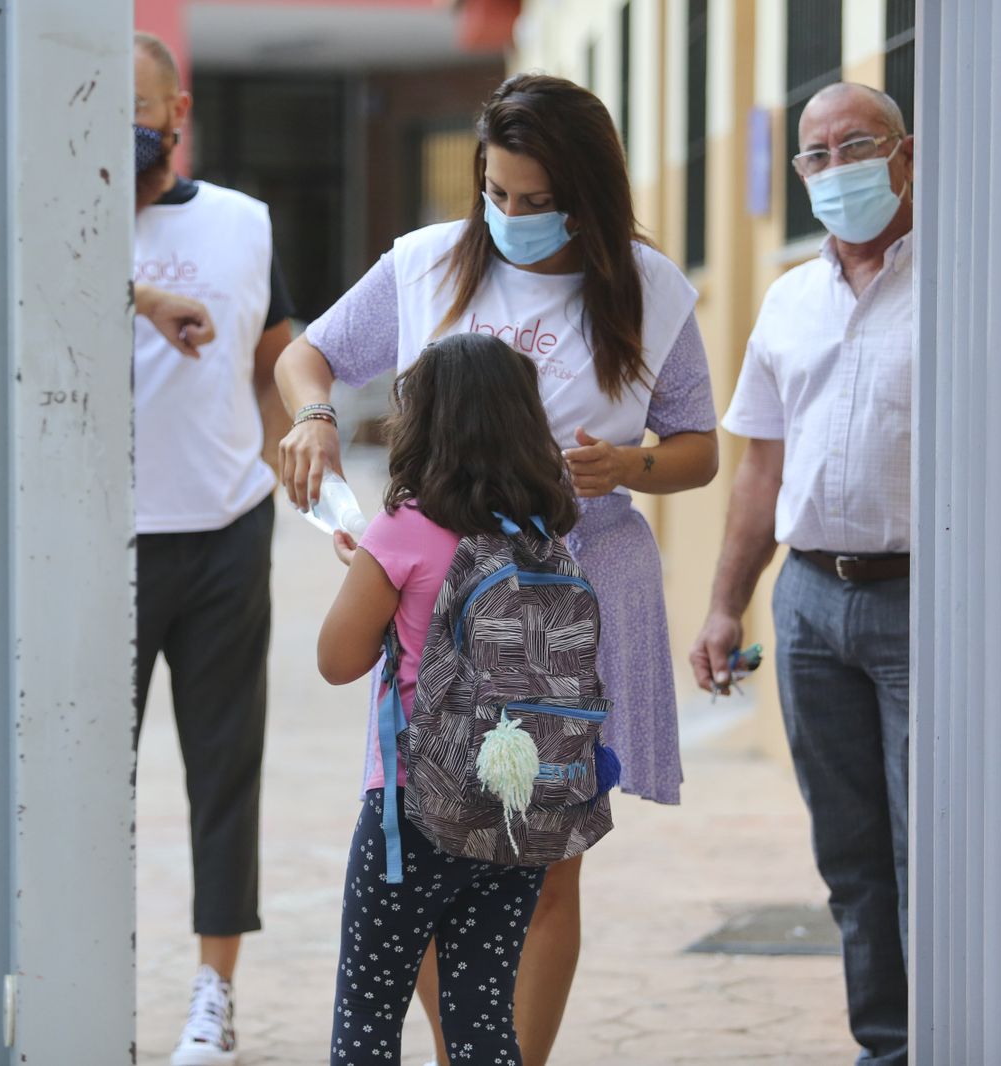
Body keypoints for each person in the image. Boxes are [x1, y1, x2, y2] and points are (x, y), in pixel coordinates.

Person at [277, 74, 718, 1065]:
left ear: (586, 194)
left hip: (577, 594)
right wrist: (311, 413)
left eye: (536, 199)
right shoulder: (428, 264)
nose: (512, 217)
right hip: (440, 598)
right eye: (497, 193)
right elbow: (307, 355)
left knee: (546, 859)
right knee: (428, 833)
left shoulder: (646, 289)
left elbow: (697, 447)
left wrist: (629, 464)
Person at [689, 82, 914, 1066]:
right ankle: (888, 1044)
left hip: (924, 603)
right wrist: (722, 605)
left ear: (904, 153)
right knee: (852, 856)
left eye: (854, 145)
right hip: (811, 607)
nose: (834, 168)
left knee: (928, 848)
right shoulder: (787, 298)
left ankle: (953, 1031)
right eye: (814, 156)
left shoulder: (970, 276)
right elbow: (759, 471)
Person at [319, 331, 585, 1065]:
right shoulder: (547, 536)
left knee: (370, 1015)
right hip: (515, 812)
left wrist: (370, 570)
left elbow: (336, 660)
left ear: (424, 423)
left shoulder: (403, 530)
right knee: (482, 1022)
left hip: (412, 812)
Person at [130, 31, 296, 1066]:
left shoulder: (243, 223)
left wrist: (302, 456)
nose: (124, 130)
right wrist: (140, 295)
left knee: (224, 773)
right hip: (99, 545)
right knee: (85, 780)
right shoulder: (62, 217)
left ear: (178, 111)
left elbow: (279, 352)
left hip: (229, 527)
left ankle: (212, 995)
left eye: (139, 109)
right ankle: (80, 977)